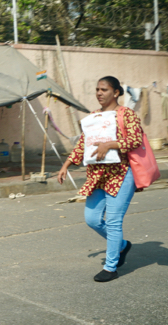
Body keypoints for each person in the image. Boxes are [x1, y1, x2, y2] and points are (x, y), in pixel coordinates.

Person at [57, 76, 142, 283]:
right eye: (97, 89)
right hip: (97, 176)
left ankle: (111, 267)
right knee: (92, 219)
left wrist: (109, 145)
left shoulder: (126, 114)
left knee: (113, 221)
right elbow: (83, 145)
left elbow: (135, 139)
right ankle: (122, 246)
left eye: (104, 89)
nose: (99, 93)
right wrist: (66, 164)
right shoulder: (93, 116)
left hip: (121, 174)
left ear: (116, 93)